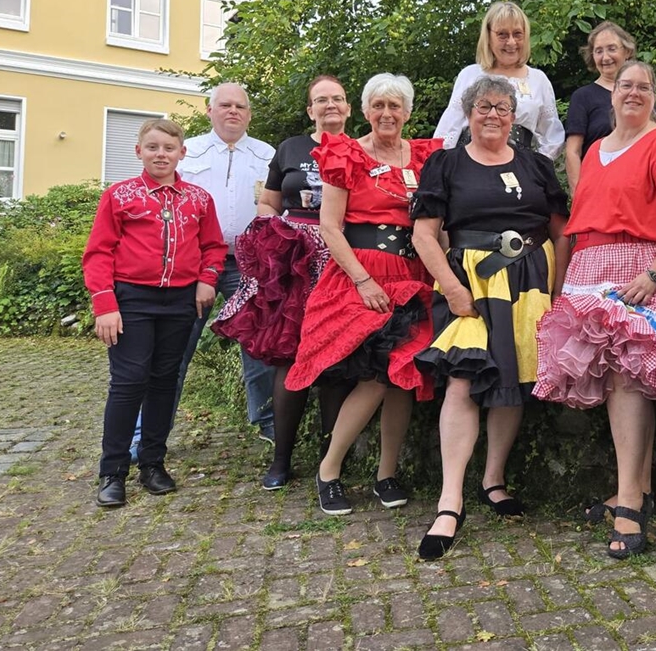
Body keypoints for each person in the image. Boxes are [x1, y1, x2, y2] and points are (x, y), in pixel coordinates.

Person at [536, 60, 656, 559]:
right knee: (620, 379)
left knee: (629, 379)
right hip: (594, 269)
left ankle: (631, 502)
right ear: (610, 94)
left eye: (644, 87)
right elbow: (582, 221)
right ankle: (638, 490)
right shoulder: (594, 151)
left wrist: (655, 274)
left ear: (655, 96)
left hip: (644, 268)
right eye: (625, 86)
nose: (633, 93)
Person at [412, 75, 569, 560]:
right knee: (463, 379)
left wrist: (557, 288)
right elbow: (423, 234)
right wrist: (454, 288)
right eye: (484, 106)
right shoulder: (447, 164)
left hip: (529, 285)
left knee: (514, 378)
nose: (494, 115)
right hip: (471, 286)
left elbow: (563, 230)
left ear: (514, 115)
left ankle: (493, 480)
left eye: (503, 108)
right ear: (469, 111)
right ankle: (449, 501)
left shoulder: (536, 165)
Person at [286, 74, 443, 516]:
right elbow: (330, 227)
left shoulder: (426, 159)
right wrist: (362, 280)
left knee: (401, 379)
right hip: (363, 273)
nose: (387, 114)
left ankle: (386, 473)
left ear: (408, 112)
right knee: (375, 377)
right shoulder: (346, 154)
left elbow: (437, 227)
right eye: (378, 106)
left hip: (413, 274)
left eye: (395, 106)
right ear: (367, 110)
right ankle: (329, 469)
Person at [212, 75, 355, 490]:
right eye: (321, 100)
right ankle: (281, 460)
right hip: (293, 262)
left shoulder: (360, 150)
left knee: (335, 358)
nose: (330, 105)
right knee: (288, 357)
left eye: (338, 99)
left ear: (348, 109)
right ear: (310, 109)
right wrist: (270, 235)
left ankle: (332, 464)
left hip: (341, 258)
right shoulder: (291, 149)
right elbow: (270, 200)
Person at [84, 119, 226, 507]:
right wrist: (106, 305)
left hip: (181, 302)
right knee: (129, 382)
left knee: (165, 380)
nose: (160, 154)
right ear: (139, 152)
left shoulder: (199, 199)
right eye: (153, 147)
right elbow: (98, 253)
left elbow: (214, 246)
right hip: (132, 301)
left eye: (168, 148)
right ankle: (112, 471)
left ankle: (153, 464)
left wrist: (207, 279)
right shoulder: (120, 196)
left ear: (182, 152)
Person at [131, 83, 276, 454]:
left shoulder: (267, 154)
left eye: (240, 106)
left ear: (249, 113)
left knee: (258, 347)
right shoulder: (187, 150)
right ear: (209, 111)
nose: (233, 112)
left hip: (250, 263)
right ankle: (145, 436)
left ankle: (266, 422)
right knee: (173, 351)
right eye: (224, 105)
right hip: (194, 265)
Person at [433, 1, 565, 159]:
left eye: (517, 34)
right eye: (502, 34)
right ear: (488, 36)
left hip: (521, 168)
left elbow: (552, 135)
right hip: (470, 166)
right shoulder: (470, 75)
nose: (511, 42)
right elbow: (448, 130)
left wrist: (538, 167)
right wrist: (440, 165)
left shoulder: (538, 80)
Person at [562, 22, 656, 194]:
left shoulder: (641, 93)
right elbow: (573, 151)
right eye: (598, 51)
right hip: (601, 188)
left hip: (645, 187)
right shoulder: (583, 97)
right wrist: (579, 196)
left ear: (627, 52)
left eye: (611, 48)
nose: (605, 57)